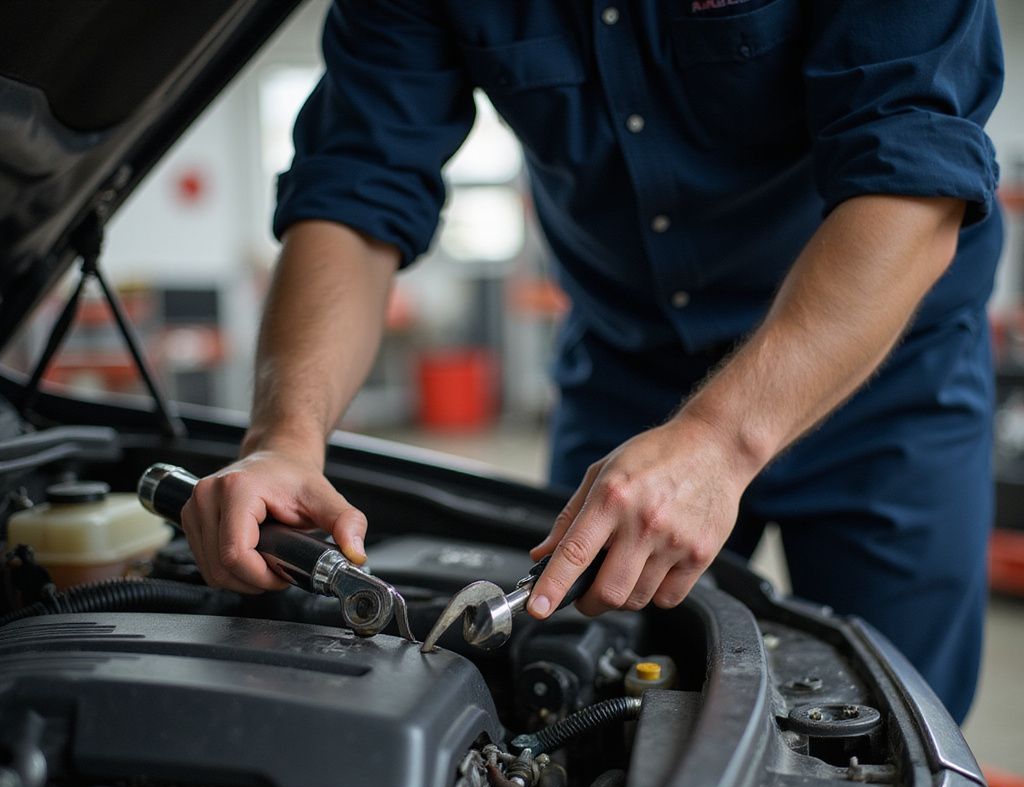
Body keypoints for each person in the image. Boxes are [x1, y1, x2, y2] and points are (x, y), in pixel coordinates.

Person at [181, 0, 1004, 723]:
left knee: (899, 720)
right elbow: (356, 184)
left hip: (886, 375)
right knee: (574, 679)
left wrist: (720, 440)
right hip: (630, 374)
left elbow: (912, 174)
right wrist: (284, 439)